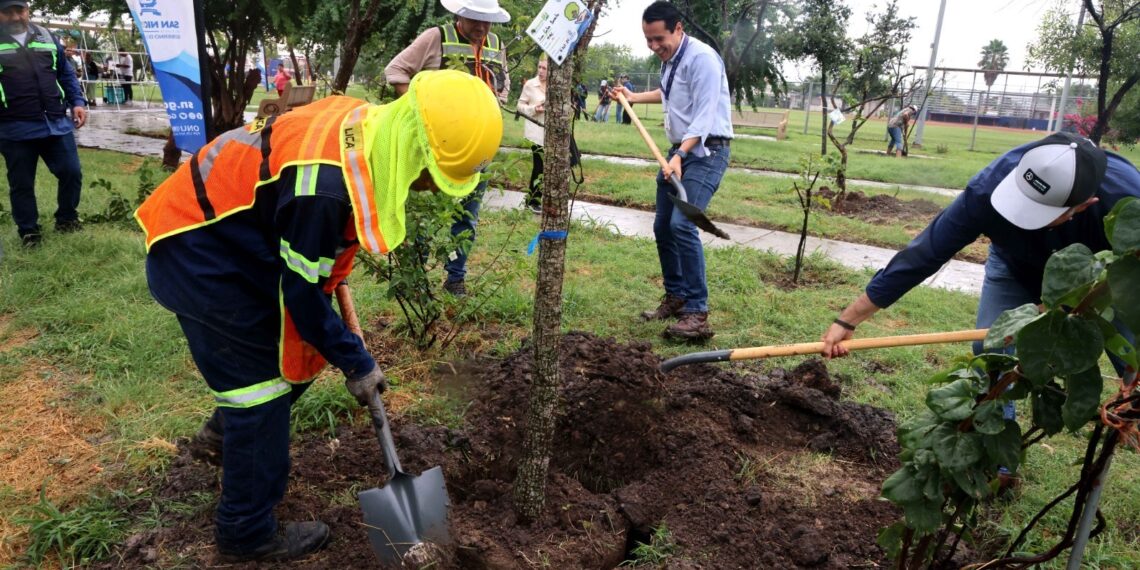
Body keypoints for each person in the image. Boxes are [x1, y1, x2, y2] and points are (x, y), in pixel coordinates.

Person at [135, 70, 502, 563]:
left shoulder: (367, 131)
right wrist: (356, 361)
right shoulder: (323, 189)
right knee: (260, 391)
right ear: (411, 146)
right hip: (199, 253)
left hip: (242, 240)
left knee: (298, 362)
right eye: (431, 175)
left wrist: (333, 309)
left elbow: (307, 259)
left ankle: (223, 436)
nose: (431, 190)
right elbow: (303, 297)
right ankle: (245, 532)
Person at [821, 132, 1140, 362]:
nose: (1020, 218)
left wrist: (1066, 304)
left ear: (1084, 205)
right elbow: (925, 253)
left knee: (1131, 360)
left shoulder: (1127, 202)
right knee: (991, 350)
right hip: (1015, 262)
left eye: (1039, 213)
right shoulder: (988, 190)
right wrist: (847, 320)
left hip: (1103, 282)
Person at [611, 1, 733, 340]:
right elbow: (669, 94)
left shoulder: (702, 59)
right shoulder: (671, 59)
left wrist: (680, 154)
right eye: (648, 39)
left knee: (682, 223)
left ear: (678, 28)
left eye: (658, 38)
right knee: (663, 226)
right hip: (680, 152)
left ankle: (697, 312)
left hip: (706, 152)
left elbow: (705, 116)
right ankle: (676, 296)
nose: (653, 46)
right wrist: (633, 97)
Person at [384, 0, 510, 297]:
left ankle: (455, 278)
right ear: (459, 14)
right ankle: (414, 279)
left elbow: (503, 84)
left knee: (467, 216)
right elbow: (395, 71)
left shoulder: (496, 44)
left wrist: (493, 104)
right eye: (475, 19)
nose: (481, 27)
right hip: (436, 151)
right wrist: (424, 109)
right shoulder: (436, 37)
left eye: (487, 20)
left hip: (478, 148)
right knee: (427, 214)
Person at [0, 0, 88, 247]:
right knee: (22, 183)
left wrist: (77, 102)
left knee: (71, 172)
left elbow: (65, 72)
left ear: (27, 10)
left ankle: (67, 219)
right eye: (7, 12)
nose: (15, 17)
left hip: (55, 122)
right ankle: (29, 231)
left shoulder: (47, 36)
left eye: (20, 10)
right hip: (14, 127)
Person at [516, 55, 547, 213]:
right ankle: (533, 201)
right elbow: (519, 106)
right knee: (539, 165)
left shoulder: (556, 86)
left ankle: (537, 199)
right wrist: (534, 109)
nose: (541, 71)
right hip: (535, 132)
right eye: (539, 67)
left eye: (544, 68)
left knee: (548, 167)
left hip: (550, 132)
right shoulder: (530, 84)